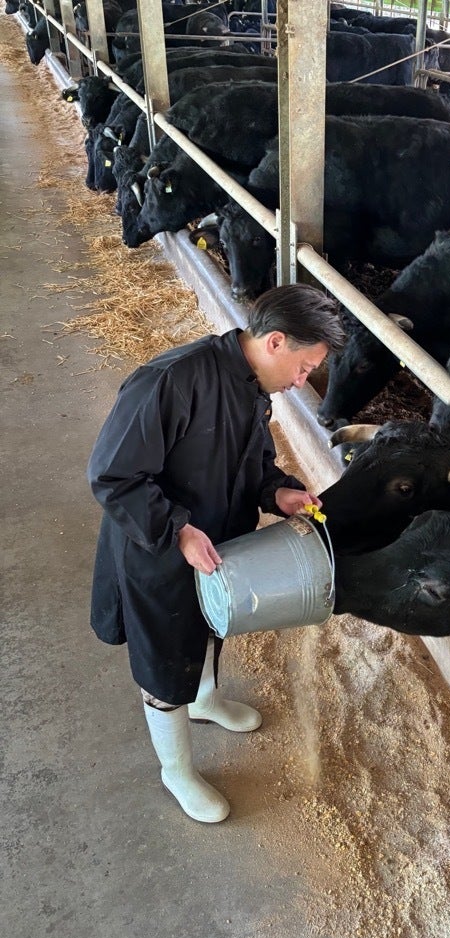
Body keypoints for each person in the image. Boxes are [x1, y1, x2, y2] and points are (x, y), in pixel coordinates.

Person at [88, 284, 346, 823]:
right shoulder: (170, 381)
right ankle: (176, 769)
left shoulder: (252, 384)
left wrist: (276, 491)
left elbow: (250, 459)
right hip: (156, 549)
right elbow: (113, 476)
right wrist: (178, 530)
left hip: (218, 540)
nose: (303, 382)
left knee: (210, 623)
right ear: (276, 342)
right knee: (164, 657)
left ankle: (204, 700)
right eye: (305, 368)